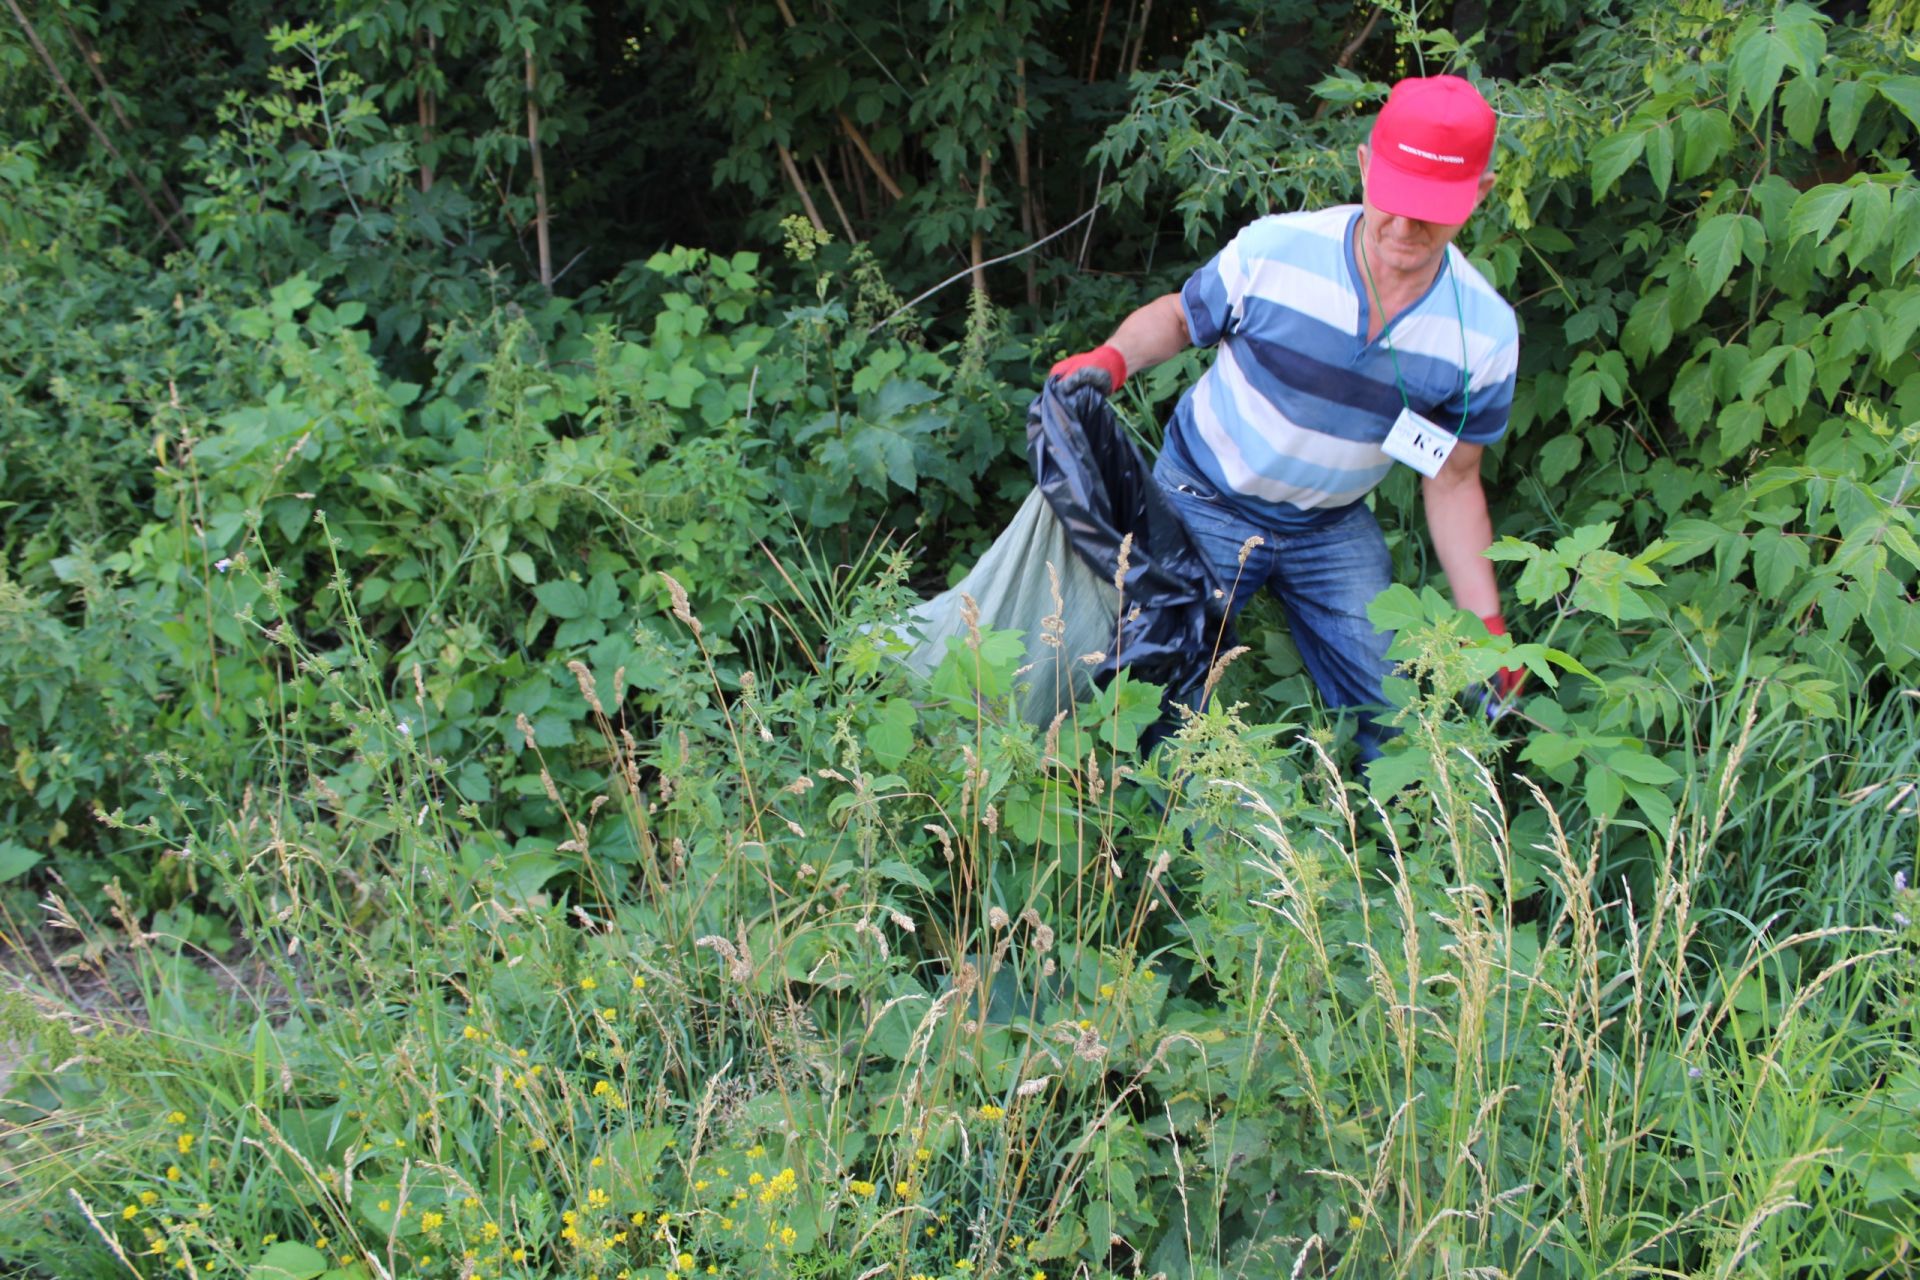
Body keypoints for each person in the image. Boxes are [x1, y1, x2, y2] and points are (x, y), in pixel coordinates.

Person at [1050, 74, 1522, 758]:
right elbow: (1182, 319)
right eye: (1394, 198)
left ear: (1478, 196)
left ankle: (1385, 841)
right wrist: (1114, 357)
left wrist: (1487, 625)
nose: (1404, 226)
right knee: (1160, 684)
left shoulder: (1482, 333)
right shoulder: (1277, 252)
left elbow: (1452, 481)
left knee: (1396, 719)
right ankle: (1171, 833)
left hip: (1328, 526)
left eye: (1431, 209)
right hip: (1203, 498)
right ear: (1365, 165)